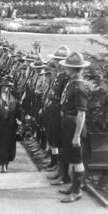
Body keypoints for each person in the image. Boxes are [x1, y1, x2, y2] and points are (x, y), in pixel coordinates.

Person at [58, 51, 90, 203]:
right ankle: (73, 185)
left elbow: (81, 114)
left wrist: (77, 135)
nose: (65, 69)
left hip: (74, 126)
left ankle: (77, 191)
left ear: (73, 69)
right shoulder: (72, 82)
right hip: (67, 124)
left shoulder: (79, 86)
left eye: (67, 67)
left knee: (77, 160)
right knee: (71, 157)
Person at [45, 45, 71, 186]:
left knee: (61, 143)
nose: (54, 62)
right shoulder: (60, 75)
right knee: (55, 139)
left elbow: (63, 97)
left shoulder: (65, 77)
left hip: (60, 112)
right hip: (54, 109)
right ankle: (60, 170)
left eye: (57, 60)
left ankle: (64, 174)